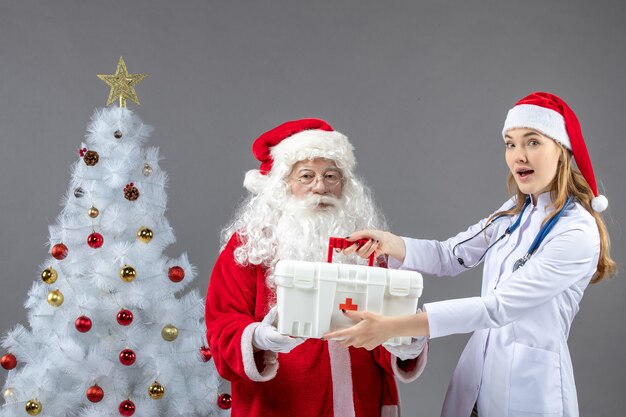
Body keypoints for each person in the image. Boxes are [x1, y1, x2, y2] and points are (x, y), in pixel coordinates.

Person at [324, 92, 616, 417]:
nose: (518, 155)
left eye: (532, 142)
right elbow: (451, 255)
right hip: (477, 378)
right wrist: (388, 242)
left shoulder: (577, 231)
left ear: (561, 151)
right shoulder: (512, 214)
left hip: (529, 388)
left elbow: (498, 307)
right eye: (510, 143)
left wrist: (395, 326)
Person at [205, 118, 428, 417]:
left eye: (331, 176)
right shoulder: (250, 245)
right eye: (306, 176)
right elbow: (222, 321)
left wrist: (404, 339)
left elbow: (379, 328)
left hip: (359, 404)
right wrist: (257, 338)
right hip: (281, 405)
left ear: (345, 185)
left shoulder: (365, 244)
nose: (320, 187)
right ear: (284, 185)